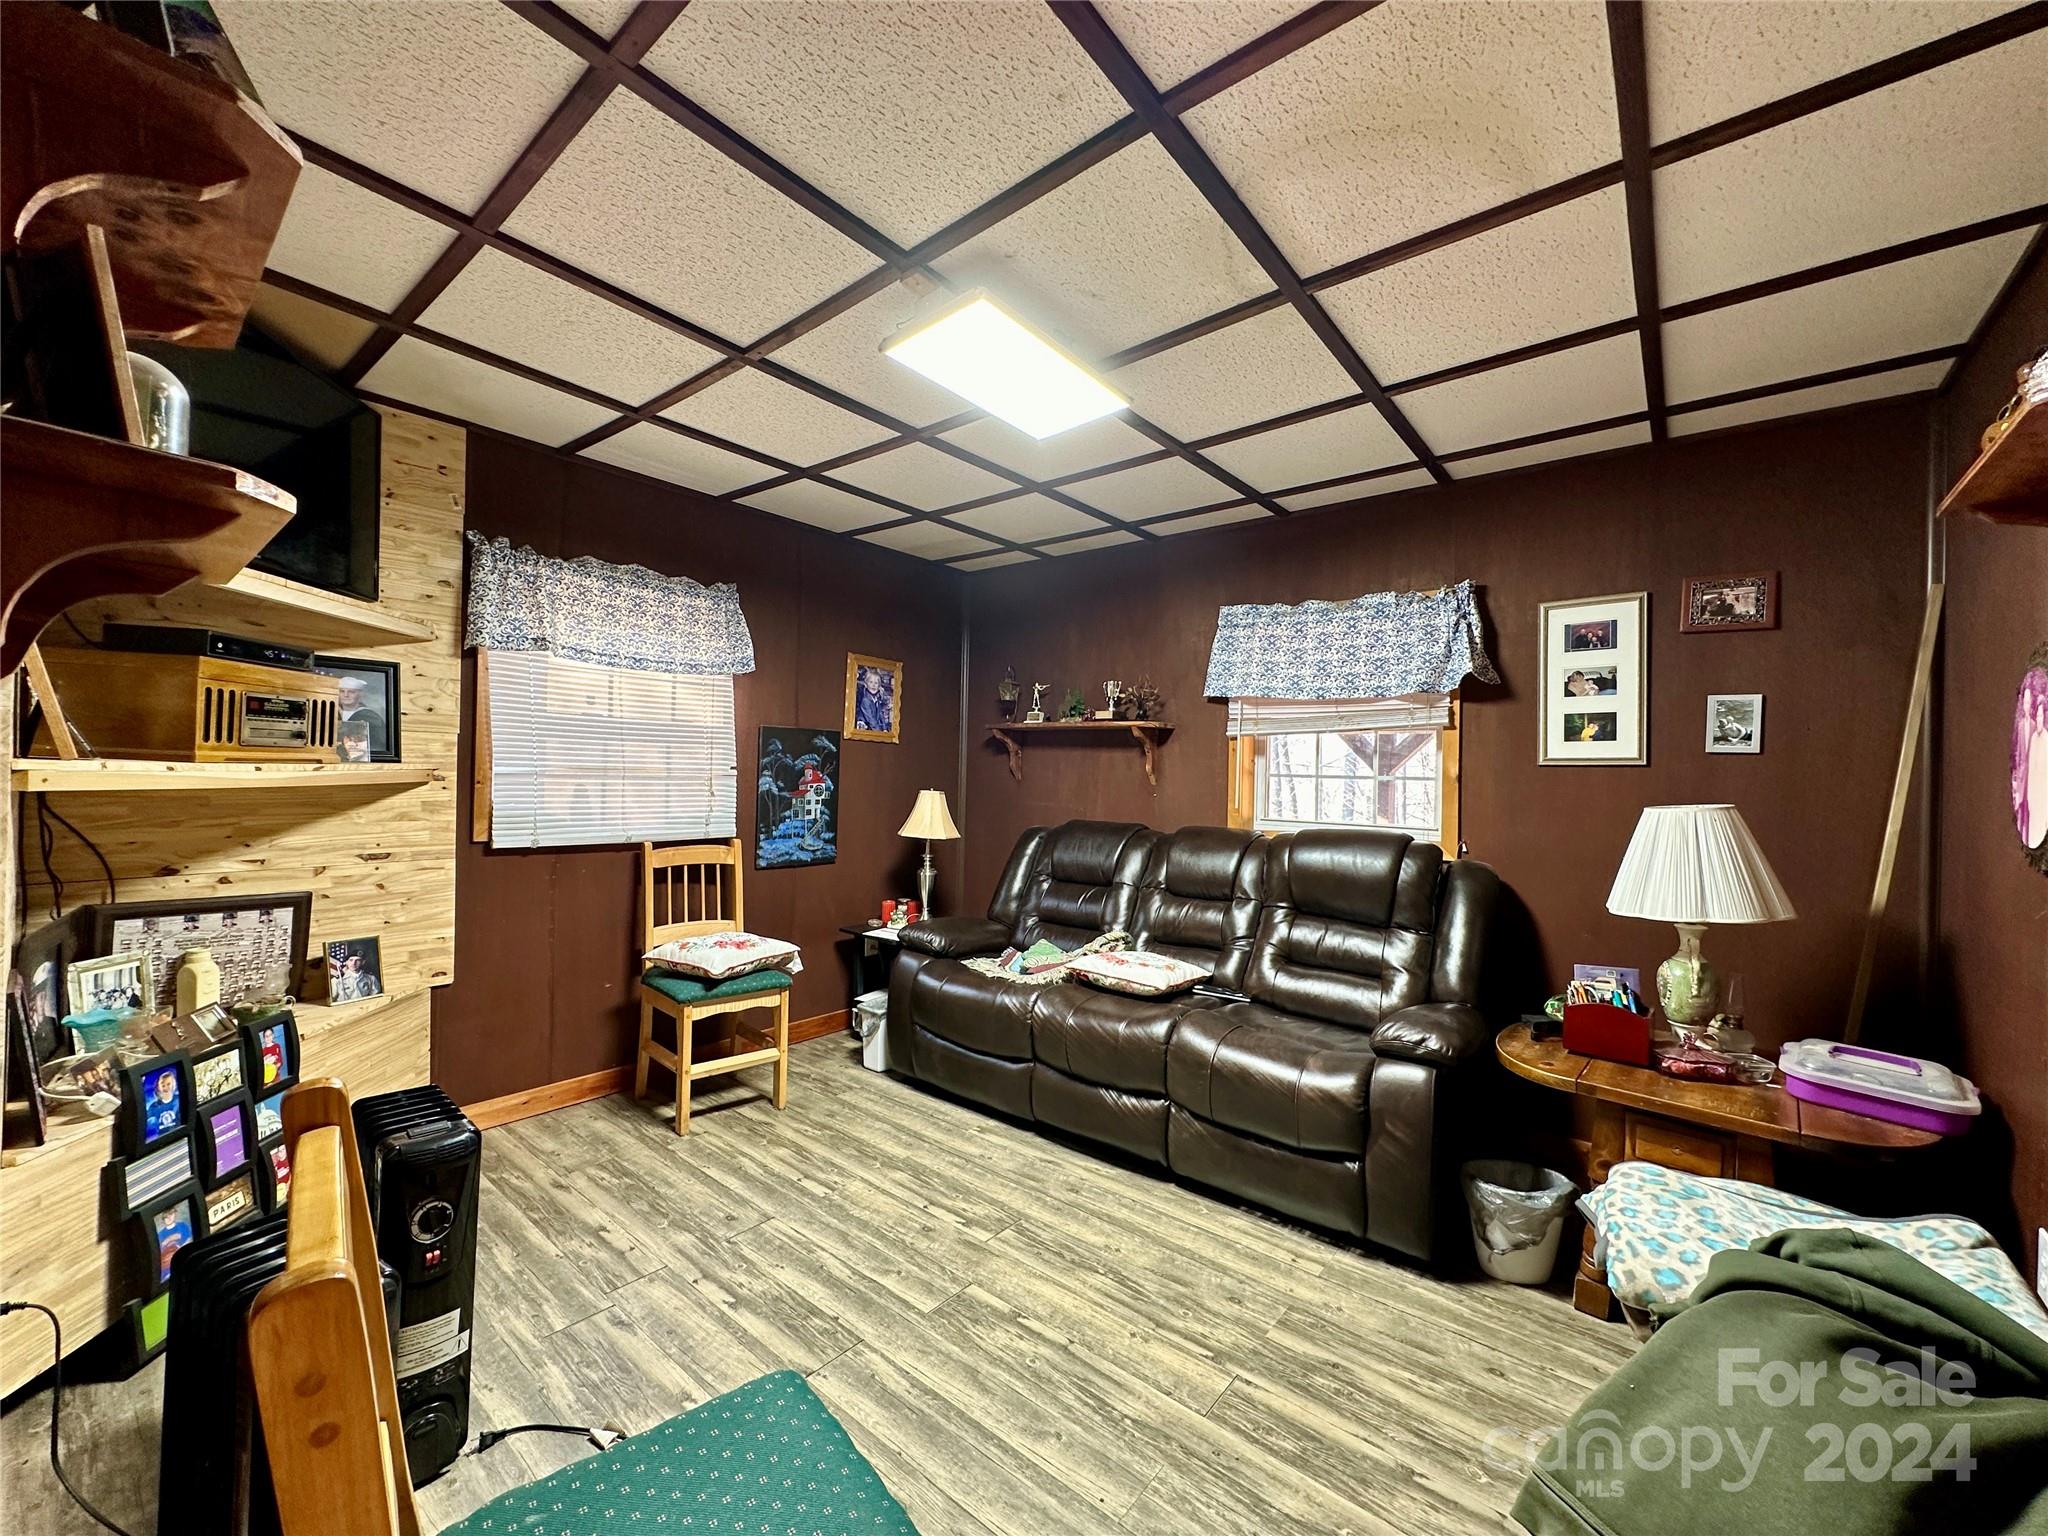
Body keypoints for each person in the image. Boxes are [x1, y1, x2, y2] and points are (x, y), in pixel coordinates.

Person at [335, 677, 388, 757]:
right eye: (342, 691)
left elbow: (377, 746)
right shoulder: (334, 713)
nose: (346, 695)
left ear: (360, 694)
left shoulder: (370, 717)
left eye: (351, 692)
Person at [145, 1067, 182, 1142]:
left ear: (173, 1084)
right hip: (163, 1140)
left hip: (179, 1137)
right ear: (158, 1087)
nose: (166, 1088)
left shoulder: (179, 1099)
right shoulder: (153, 1106)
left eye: (168, 1084)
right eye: (163, 1085)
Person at [854, 665, 893, 733]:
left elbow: (881, 715)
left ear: (879, 686)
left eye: (876, 683)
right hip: (866, 728)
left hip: (874, 727)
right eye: (871, 682)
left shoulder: (877, 699)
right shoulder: (865, 700)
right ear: (866, 684)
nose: (873, 685)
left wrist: (884, 728)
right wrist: (879, 732)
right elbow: (871, 720)